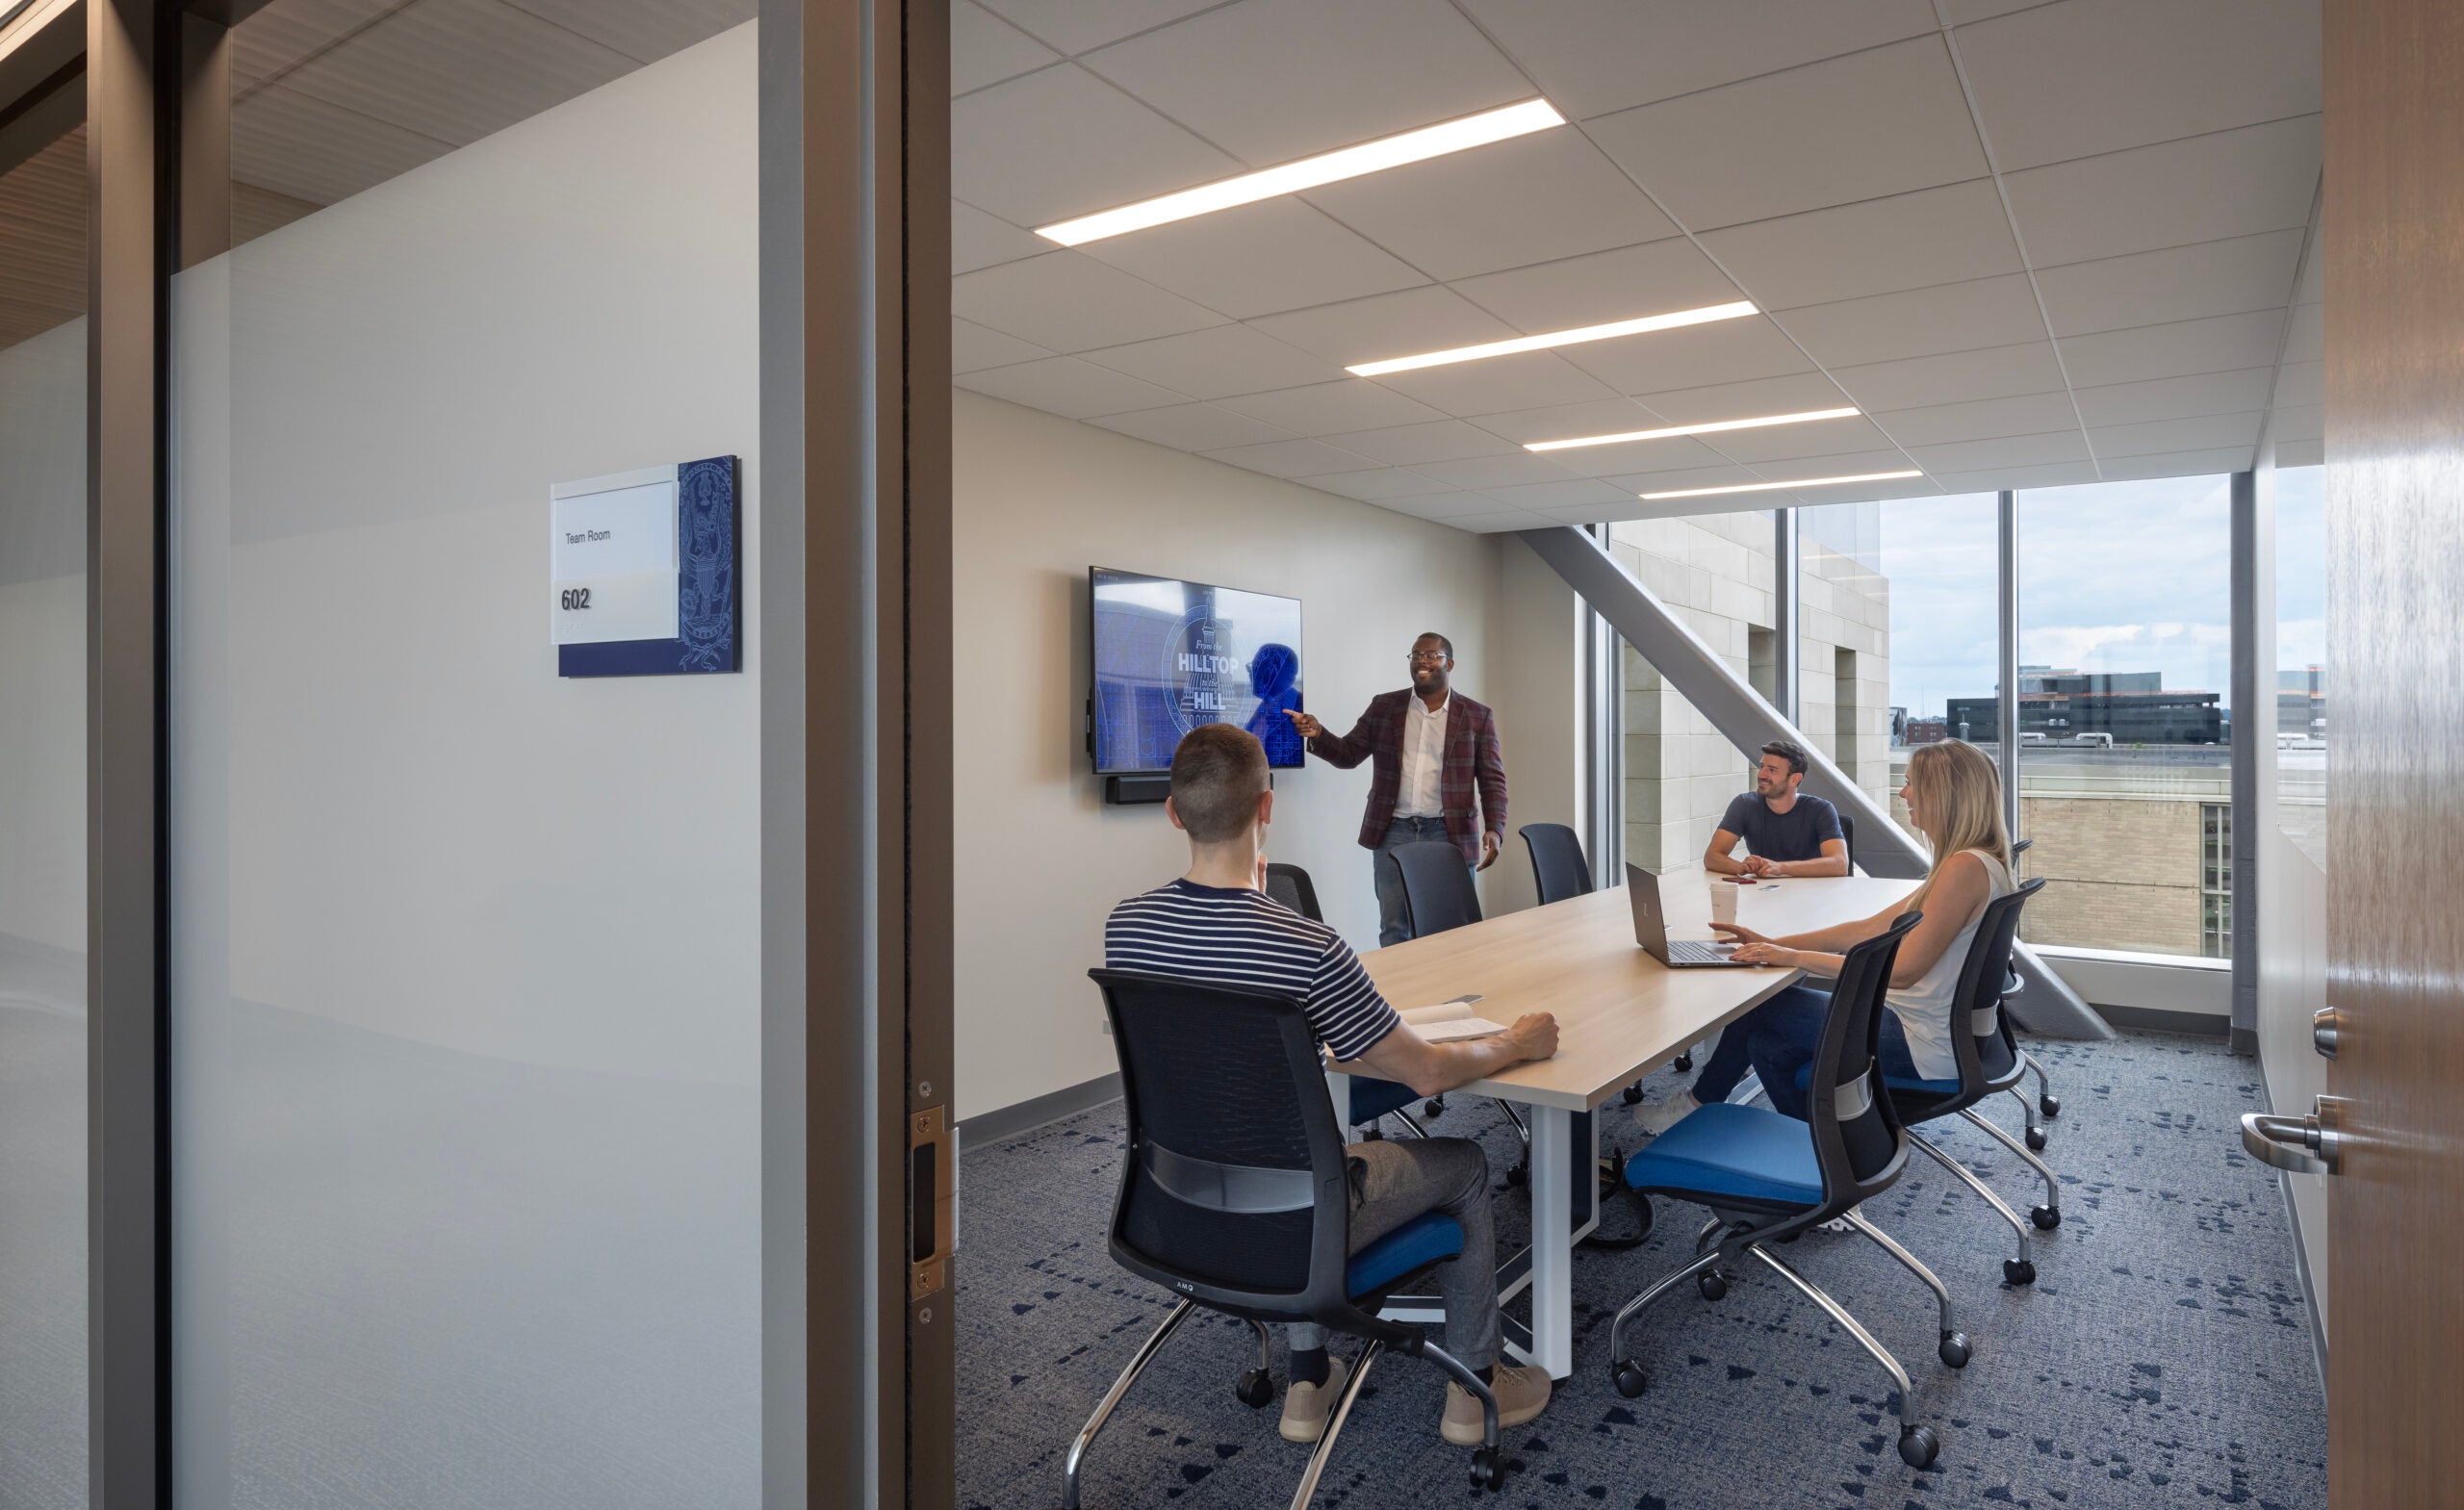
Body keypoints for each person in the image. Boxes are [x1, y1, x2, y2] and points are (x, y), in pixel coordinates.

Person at [1104, 724, 1558, 1447]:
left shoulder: (1127, 928)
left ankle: (1309, 1378)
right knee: (1467, 1164)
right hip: (1294, 1223)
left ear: (1172, 811)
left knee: (1296, 1148)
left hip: (1175, 1205)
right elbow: (1427, 1071)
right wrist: (1515, 1040)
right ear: (1268, 808)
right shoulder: (1308, 949)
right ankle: (1477, 1390)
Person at [1630, 739, 2015, 1129]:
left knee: (1761, 1006)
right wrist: (1771, 942)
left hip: (1920, 1041)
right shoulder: (1970, 862)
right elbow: (1866, 929)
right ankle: (1823, 1141)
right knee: (1766, 1043)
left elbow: (1901, 972)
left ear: (1943, 793)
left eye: (1911, 783)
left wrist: (1791, 958)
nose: (1903, 793)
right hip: (1926, 1025)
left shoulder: (1963, 869)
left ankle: (1694, 1106)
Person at [1285, 632, 1508, 947]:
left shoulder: (1476, 716)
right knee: (1394, 928)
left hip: (1450, 833)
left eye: (1431, 655)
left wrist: (1496, 828)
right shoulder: (1385, 707)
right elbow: (1349, 754)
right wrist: (1318, 733)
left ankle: (1451, 993)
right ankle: (1399, 997)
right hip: (1394, 832)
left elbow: (1492, 778)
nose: (1421, 661)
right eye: (1416, 655)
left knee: (1455, 929)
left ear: (1450, 663)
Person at [1704, 739, 1849, 879]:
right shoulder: (1744, 804)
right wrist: (1742, 867)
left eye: (1772, 770)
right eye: (1762, 767)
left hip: (1812, 894)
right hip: (1764, 892)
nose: (1762, 775)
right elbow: (1712, 857)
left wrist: (1781, 868)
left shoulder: (1821, 809)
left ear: (1794, 779)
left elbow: (1840, 864)